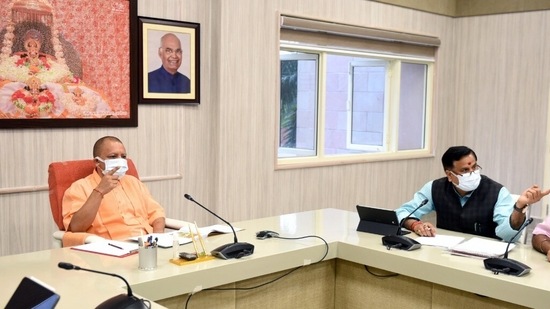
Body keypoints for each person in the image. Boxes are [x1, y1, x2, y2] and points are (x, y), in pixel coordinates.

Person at [395, 146, 549, 242]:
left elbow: (508, 236)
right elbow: (401, 212)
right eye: (464, 170)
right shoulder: (435, 188)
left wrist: (519, 207)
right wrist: (416, 225)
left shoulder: (496, 191)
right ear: (449, 175)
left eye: (474, 167)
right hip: (443, 254)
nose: (472, 173)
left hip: (484, 260)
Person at [62, 136, 166, 240]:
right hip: (110, 246)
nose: (120, 161)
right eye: (113, 156)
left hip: (146, 243)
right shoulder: (79, 187)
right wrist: (99, 191)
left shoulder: (133, 182)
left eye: (123, 156)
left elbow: (156, 213)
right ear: (97, 162)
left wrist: (158, 237)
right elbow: (76, 228)